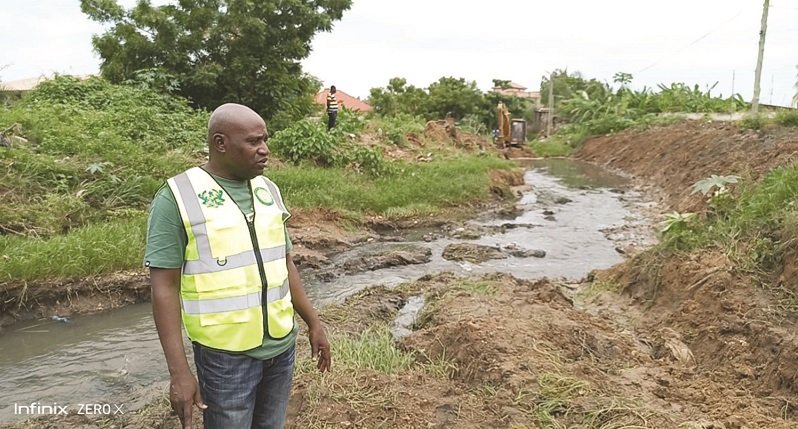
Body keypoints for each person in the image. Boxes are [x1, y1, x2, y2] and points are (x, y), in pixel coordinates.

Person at [145, 103, 331, 429]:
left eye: (265, 140)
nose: (265, 150)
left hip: (282, 347)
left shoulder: (268, 189)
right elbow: (164, 288)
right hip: (225, 358)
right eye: (254, 142)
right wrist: (179, 373)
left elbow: (284, 262)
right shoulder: (177, 197)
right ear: (221, 143)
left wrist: (313, 322)